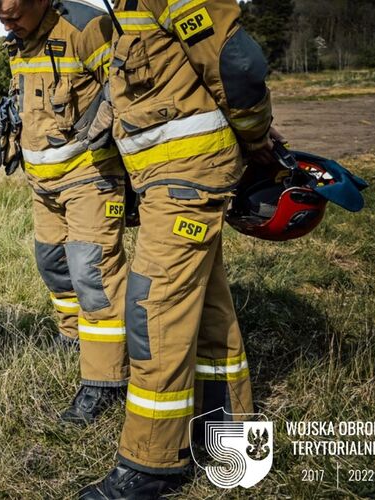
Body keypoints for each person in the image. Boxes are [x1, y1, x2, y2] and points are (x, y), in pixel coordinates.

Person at [79, 0, 279, 496]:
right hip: (165, 183)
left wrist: (256, 140)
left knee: (153, 312)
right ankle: (227, 439)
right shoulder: (125, 9)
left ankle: (153, 463)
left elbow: (237, 64)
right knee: (206, 309)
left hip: (186, 182)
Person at [0, 0, 130, 425]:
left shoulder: (87, 28)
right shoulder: (19, 39)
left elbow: (127, 88)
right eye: (0, 17)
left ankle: (106, 378)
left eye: (13, 14)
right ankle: (73, 339)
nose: (7, 24)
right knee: (53, 263)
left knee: (93, 272)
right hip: (43, 185)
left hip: (91, 178)